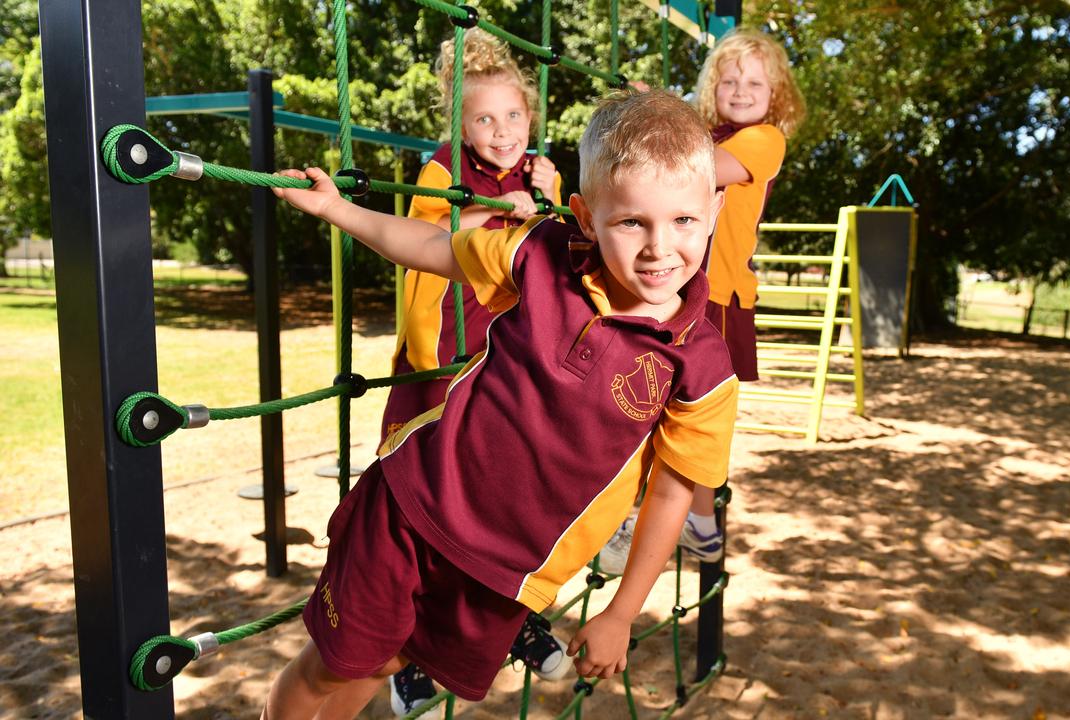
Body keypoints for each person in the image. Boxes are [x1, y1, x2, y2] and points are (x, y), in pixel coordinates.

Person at [261, 89, 739, 719]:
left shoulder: (702, 364)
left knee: (387, 662)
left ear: (714, 209)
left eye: (682, 221)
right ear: (587, 216)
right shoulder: (542, 253)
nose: (658, 248)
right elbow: (431, 249)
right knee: (336, 661)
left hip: (506, 572)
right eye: (632, 222)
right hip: (417, 504)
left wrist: (622, 612)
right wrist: (337, 209)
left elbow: (676, 492)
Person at [382, 28, 567, 714]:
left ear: (531, 119)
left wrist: (550, 195)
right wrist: (496, 211)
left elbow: (561, 253)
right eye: (484, 119)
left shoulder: (537, 172)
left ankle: (509, 621)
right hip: (443, 363)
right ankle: (405, 657)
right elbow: (429, 238)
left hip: (509, 368)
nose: (501, 131)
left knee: (504, 501)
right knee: (420, 507)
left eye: (513, 116)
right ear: (461, 125)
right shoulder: (440, 168)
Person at [598, 28, 806, 574]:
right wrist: (656, 112)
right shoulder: (706, 132)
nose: (740, 90)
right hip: (680, 286)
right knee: (644, 398)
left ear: (776, 96)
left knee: (687, 413)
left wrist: (658, 119)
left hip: (718, 296)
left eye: (755, 82)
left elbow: (701, 167)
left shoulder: (764, 139)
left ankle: (686, 520)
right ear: (713, 86)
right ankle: (685, 522)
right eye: (729, 79)